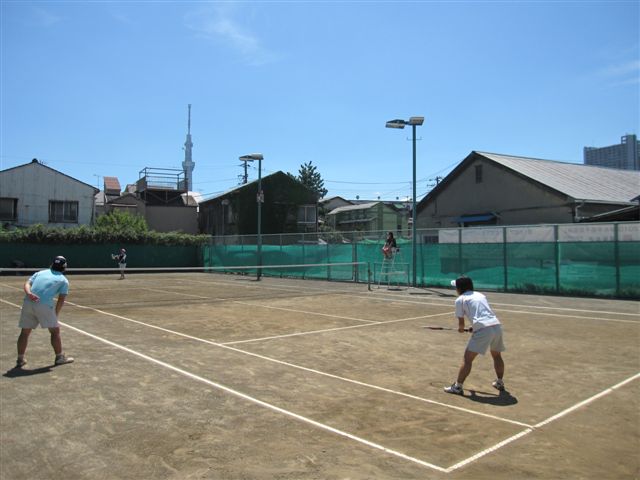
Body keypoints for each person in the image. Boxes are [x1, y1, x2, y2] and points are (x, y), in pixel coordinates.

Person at [444, 276, 505, 395]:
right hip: (496, 326)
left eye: (456, 287)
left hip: (484, 329)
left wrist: (461, 329)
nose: (455, 289)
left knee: (467, 359)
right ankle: (499, 382)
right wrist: (474, 327)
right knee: (497, 355)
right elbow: (483, 314)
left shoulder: (460, 300)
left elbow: (461, 324)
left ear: (460, 287)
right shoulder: (480, 295)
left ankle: (457, 387)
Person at [16, 256, 74, 368]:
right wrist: (55, 314)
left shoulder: (40, 273)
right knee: (55, 331)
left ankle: (20, 359)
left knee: (24, 332)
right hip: (44, 305)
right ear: (64, 267)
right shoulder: (63, 280)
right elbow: (61, 300)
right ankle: (59, 357)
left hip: (28, 302)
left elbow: (27, 284)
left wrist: (29, 293)